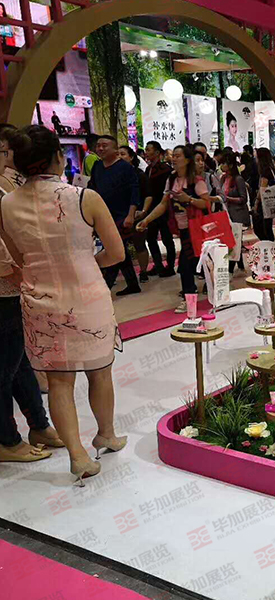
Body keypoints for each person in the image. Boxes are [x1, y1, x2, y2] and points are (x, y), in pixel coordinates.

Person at [0, 125, 127, 482]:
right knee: (100, 371)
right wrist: (86, 264)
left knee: (58, 382)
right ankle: (106, 434)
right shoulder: (85, 197)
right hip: (88, 297)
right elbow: (116, 252)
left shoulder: (6, 204)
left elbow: (18, 258)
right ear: (58, 157)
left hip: (39, 300)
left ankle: (77, 455)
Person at [0, 124, 63, 463]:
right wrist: (17, 269)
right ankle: (7, 441)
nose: (8, 157)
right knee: (5, 368)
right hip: (5, 288)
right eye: (5, 151)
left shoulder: (9, 186)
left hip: (15, 289)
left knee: (20, 361)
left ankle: (38, 425)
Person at [136, 145, 213, 313]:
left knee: (185, 265)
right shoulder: (171, 180)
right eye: (174, 156)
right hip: (182, 229)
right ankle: (198, 294)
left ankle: (191, 299)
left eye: (178, 156)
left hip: (197, 230)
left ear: (187, 160)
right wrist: (147, 220)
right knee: (191, 265)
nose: (174, 159)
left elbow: (206, 203)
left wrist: (189, 199)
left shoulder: (196, 181)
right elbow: (163, 204)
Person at [88, 135, 141, 296]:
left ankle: (104, 288)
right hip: (103, 215)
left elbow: (134, 191)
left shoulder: (125, 167)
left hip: (121, 216)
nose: (100, 148)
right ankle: (132, 284)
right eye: (98, 145)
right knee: (120, 250)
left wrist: (130, 215)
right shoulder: (97, 166)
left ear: (115, 149)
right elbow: (92, 188)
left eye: (104, 145)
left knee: (113, 249)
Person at [139, 141, 175, 277]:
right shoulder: (148, 169)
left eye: (149, 150)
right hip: (151, 210)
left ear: (157, 152)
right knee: (151, 239)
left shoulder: (165, 169)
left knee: (167, 239)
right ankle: (158, 265)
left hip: (164, 209)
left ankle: (170, 266)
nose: (146, 152)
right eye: (146, 150)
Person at [119, 145, 150, 284]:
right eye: (118, 154)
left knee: (139, 244)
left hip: (138, 215)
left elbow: (148, 195)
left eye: (123, 154)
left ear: (131, 157)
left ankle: (143, 272)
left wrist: (143, 211)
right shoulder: (115, 175)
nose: (120, 157)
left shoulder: (140, 175)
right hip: (120, 215)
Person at [219, 152, 250, 272]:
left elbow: (243, 199)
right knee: (234, 241)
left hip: (237, 215)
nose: (222, 165)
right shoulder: (223, 178)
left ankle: (230, 270)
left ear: (231, 165)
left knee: (234, 242)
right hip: (227, 213)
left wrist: (227, 198)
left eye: (224, 163)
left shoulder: (238, 179)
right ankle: (240, 265)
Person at [254, 147, 275, 242]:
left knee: (261, 228)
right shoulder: (271, 169)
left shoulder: (265, 171)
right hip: (270, 202)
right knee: (267, 227)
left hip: (264, 203)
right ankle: (270, 244)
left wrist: (256, 203)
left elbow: (262, 189)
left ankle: (268, 244)